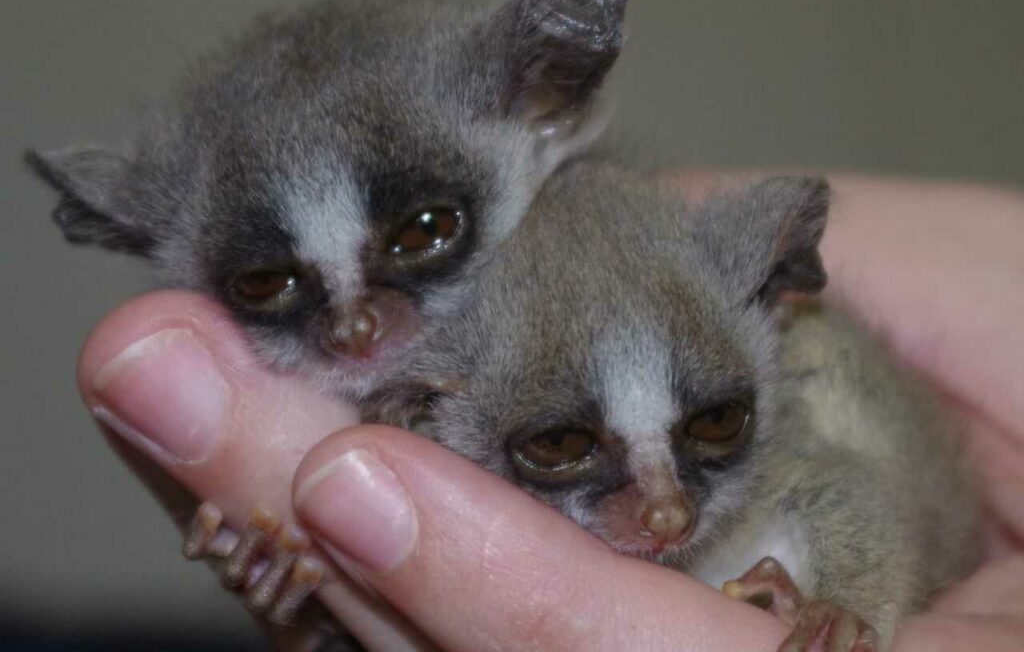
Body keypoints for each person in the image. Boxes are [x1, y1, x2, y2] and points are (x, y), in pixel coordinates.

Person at [75, 174, 1024, 651]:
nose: (665, 511)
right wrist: (299, 575)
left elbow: (846, 508)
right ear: (435, 407)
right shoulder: (428, 398)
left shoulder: (780, 409)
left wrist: (843, 615)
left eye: (712, 428)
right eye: (563, 446)